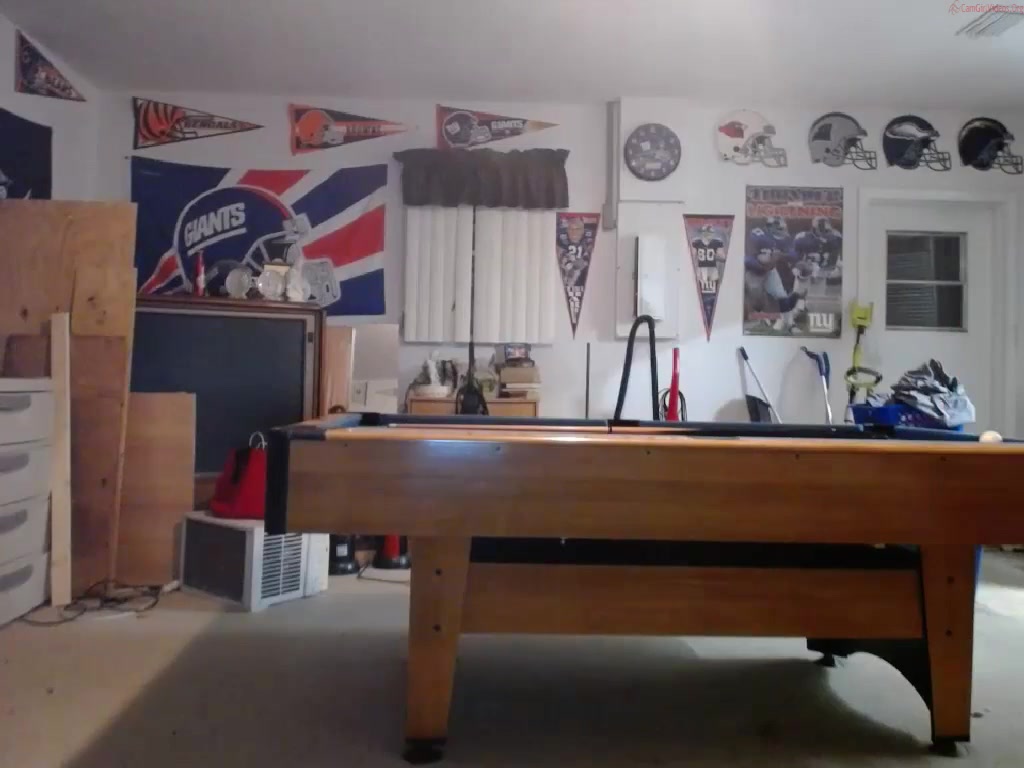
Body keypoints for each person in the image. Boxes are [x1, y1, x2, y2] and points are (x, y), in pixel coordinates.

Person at [744, 216, 804, 333]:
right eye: (779, 229)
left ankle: (791, 325)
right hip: (753, 273)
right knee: (755, 300)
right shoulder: (757, 235)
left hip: (770, 271)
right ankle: (753, 323)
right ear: (770, 227)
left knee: (782, 296)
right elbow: (748, 259)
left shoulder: (783, 239)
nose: (782, 232)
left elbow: (793, 255)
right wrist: (762, 265)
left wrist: (781, 255)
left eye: (783, 229)